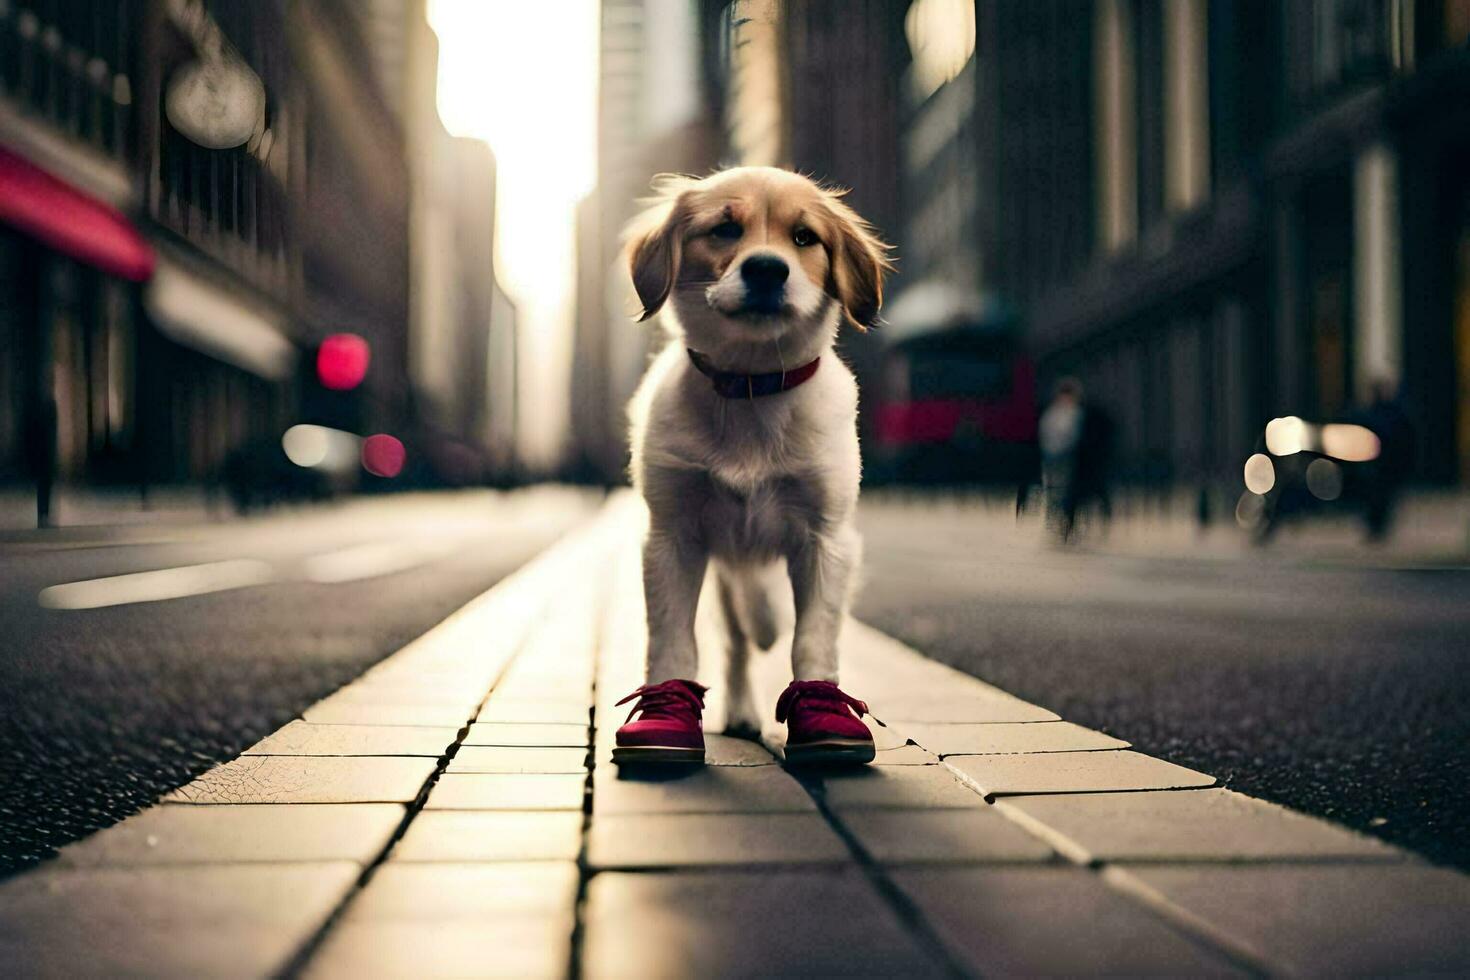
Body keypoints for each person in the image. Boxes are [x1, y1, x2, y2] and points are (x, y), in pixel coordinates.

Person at [1039, 378, 1114, 541]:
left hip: (1072, 459)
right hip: (1056, 458)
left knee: (1070, 492)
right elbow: (1048, 436)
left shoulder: (1078, 414)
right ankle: (1060, 521)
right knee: (1057, 492)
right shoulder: (1054, 414)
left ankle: (1067, 523)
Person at [1356, 377, 1414, 541]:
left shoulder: (1391, 413)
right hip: (1377, 464)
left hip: (1386, 463)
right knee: (1375, 497)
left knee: (1382, 497)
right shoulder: (1372, 413)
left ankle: (1378, 527)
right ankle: (1375, 527)